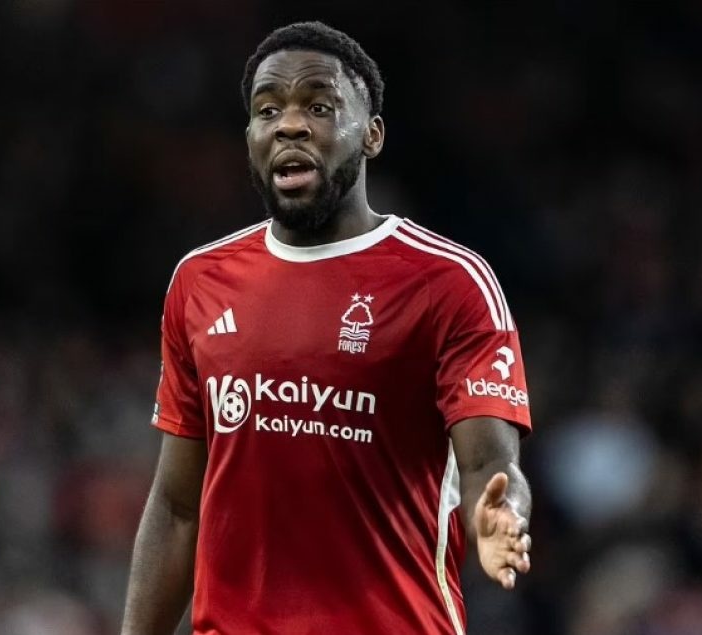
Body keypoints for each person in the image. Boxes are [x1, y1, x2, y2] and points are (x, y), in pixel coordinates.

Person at [121, 21, 533, 635]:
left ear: (372, 135)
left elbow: (488, 468)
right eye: (268, 110)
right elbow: (178, 507)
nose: (289, 125)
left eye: (319, 106)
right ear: (251, 137)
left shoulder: (449, 282)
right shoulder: (199, 281)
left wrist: (500, 517)